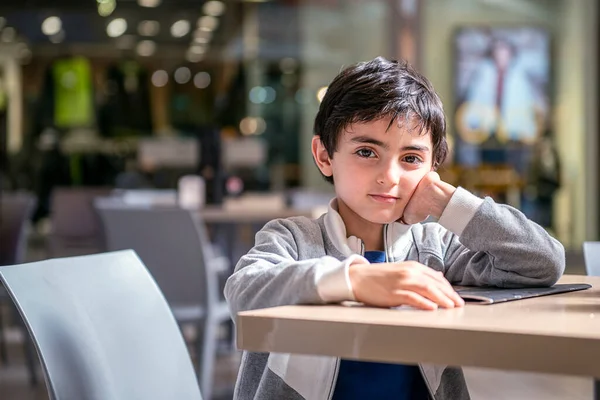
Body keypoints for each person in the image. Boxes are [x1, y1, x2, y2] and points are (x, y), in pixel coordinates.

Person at [224, 57, 564, 400]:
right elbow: (242, 293)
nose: (390, 176)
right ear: (325, 156)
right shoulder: (293, 238)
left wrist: (449, 203)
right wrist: (355, 280)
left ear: (433, 166)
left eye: (411, 158)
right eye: (367, 151)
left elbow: (543, 262)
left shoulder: (436, 249)